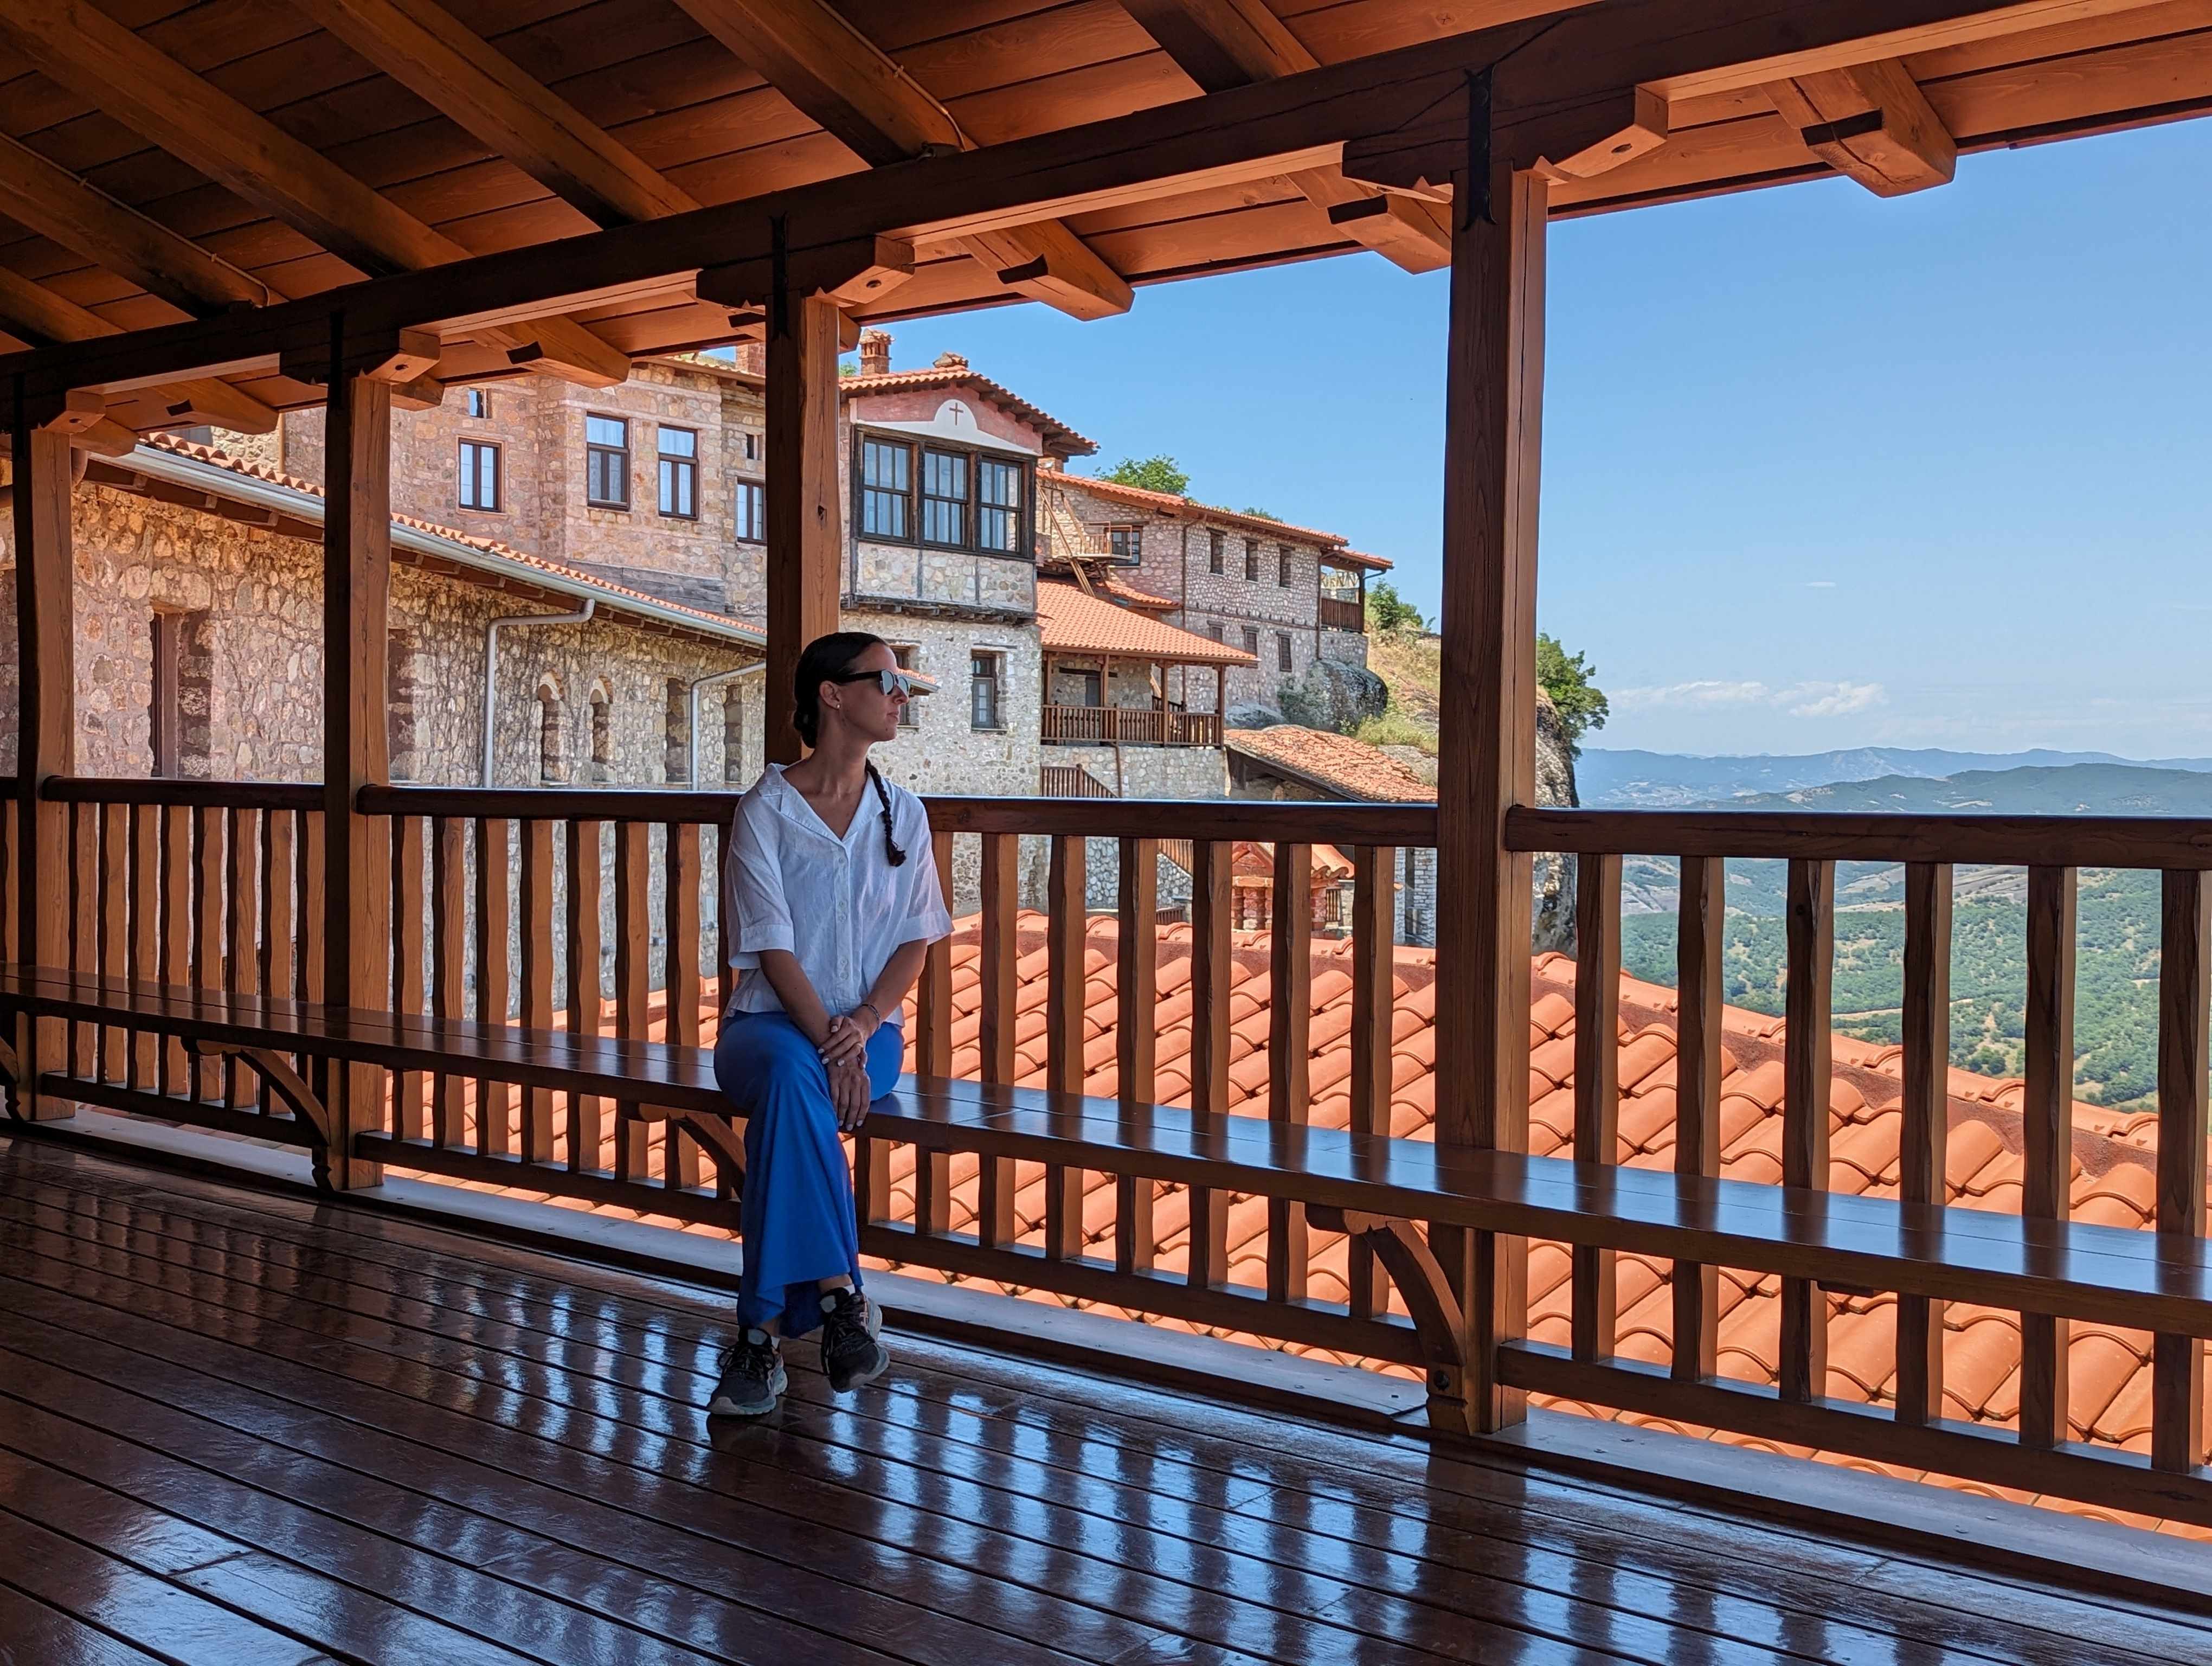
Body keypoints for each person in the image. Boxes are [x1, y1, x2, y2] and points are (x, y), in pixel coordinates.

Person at [708, 632, 950, 1417]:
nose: (899, 694)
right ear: (832, 696)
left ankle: (758, 1341)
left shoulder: (902, 814)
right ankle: (841, 1297)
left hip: (869, 1032)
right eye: (885, 680)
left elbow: (917, 936)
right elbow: (770, 946)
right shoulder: (766, 812)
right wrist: (829, 1040)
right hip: (766, 1029)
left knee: (793, 1096)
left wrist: (865, 1024)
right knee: (789, 1076)